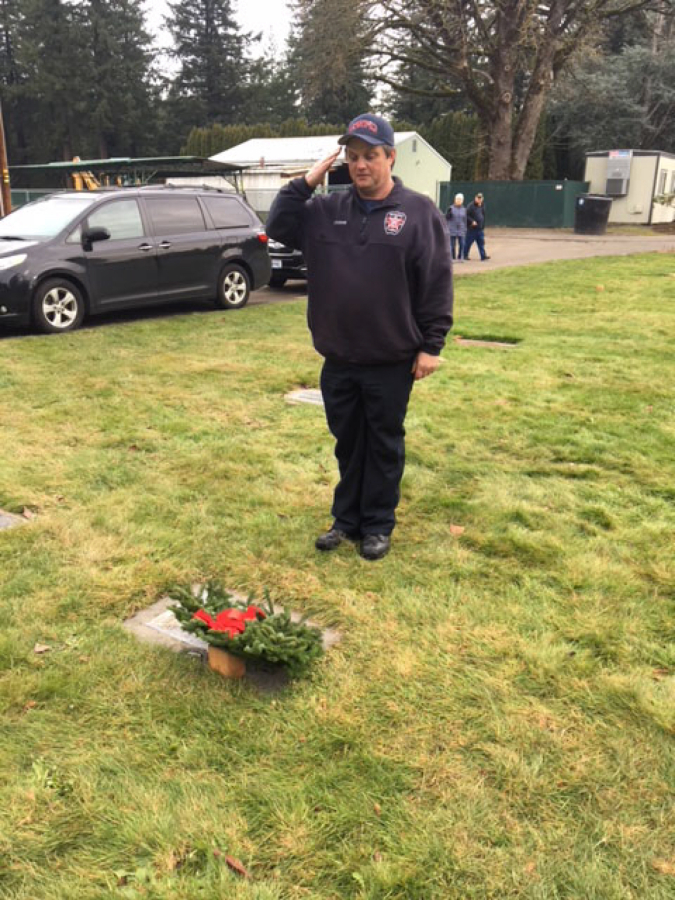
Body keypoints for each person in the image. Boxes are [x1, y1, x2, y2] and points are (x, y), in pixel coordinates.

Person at [266, 113, 453, 561]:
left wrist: (431, 345)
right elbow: (278, 226)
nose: (361, 164)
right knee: (348, 443)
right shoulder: (325, 212)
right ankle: (346, 520)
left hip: (391, 359)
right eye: (352, 157)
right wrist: (305, 182)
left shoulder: (417, 212)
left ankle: (377, 524)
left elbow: (436, 280)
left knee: (383, 443)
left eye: (370, 155)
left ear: (390, 157)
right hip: (339, 358)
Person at [464, 193, 490, 261]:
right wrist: (472, 221)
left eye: (480, 198)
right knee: (468, 243)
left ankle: (483, 256)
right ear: (475, 198)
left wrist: (483, 225)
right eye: (478, 198)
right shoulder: (470, 206)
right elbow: (466, 215)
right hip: (472, 229)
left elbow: (483, 215)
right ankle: (464, 255)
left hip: (480, 228)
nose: (479, 199)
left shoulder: (483, 205)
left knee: (481, 243)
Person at [445, 193, 467, 262]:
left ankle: (461, 257)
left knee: (462, 244)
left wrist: (465, 228)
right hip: (452, 229)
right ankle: (451, 258)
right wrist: (448, 214)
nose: (459, 201)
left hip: (461, 229)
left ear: (462, 201)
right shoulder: (451, 208)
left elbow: (465, 219)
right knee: (452, 245)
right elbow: (446, 218)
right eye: (457, 199)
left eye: (460, 199)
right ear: (455, 200)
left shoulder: (464, 209)